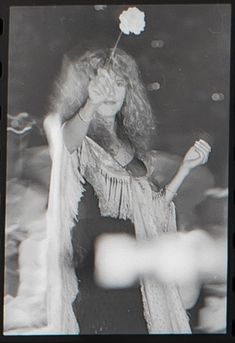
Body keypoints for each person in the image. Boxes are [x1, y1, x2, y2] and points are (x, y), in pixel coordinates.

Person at [43, 47, 211, 334]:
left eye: (120, 83)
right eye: (104, 82)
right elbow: (67, 143)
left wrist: (185, 168)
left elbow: (152, 208)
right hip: (94, 267)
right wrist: (90, 106)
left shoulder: (131, 147)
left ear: (128, 91)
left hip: (133, 268)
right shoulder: (75, 131)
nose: (111, 91)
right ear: (88, 87)